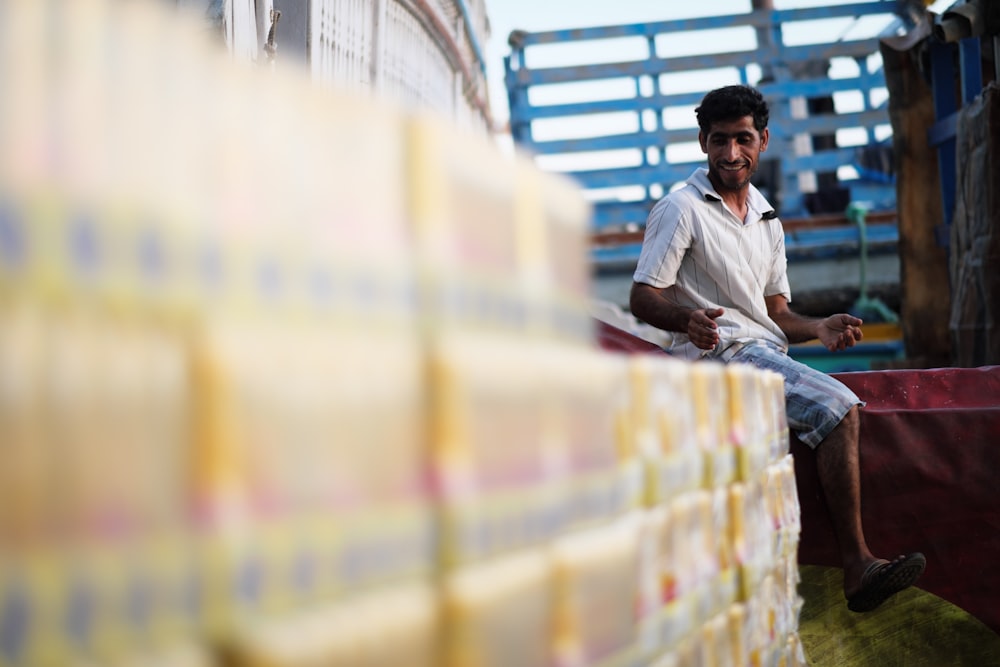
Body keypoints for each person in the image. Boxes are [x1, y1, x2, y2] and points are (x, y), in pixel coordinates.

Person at [629, 84, 925, 612]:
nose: (730, 154)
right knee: (839, 407)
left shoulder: (767, 218)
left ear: (763, 140)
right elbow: (642, 295)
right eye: (719, 141)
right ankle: (858, 566)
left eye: (743, 139)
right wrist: (686, 318)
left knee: (837, 401)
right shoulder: (679, 209)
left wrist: (819, 327)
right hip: (717, 358)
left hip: (760, 351)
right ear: (703, 142)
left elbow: (777, 314)